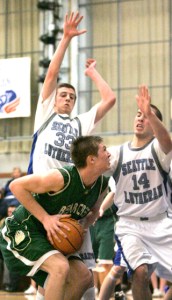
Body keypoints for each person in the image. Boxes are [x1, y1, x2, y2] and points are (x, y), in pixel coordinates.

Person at [27, 11, 116, 300]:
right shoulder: (45, 114)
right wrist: (65, 38)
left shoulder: (80, 124)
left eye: (72, 97)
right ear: (54, 99)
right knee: (54, 273)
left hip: (72, 204)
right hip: (45, 199)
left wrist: (93, 73)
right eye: (63, 95)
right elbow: (52, 74)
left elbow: (110, 99)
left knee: (85, 279)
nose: (66, 99)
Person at [0, 135, 111, 300]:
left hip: (50, 237)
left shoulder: (102, 184)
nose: (109, 154)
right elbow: (16, 186)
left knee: (83, 276)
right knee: (60, 267)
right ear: (91, 159)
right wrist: (46, 218)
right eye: (104, 150)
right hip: (23, 229)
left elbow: (94, 211)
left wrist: (84, 225)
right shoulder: (61, 178)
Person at [99, 85, 172, 300]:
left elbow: (167, 141)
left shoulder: (159, 150)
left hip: (161, 223)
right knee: (140, 272)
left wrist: (150, 111)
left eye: (147, 117)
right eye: (139, 115)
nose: (141, 119)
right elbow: (96, 178)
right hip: (130, 225)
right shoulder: (116, 153)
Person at [90, 177, 117, 298]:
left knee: (105, 262)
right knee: (91, 261)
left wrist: (101, 209)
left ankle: (105, 295)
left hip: (107, 221)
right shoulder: (87, 176)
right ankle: (94, 290)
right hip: (90, 221)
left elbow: (112, 194)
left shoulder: (110, 175)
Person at [0, 205, 22, 292]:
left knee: (9, 261)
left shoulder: (19, 221)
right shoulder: (2, 221)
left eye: (12, 212)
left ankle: (10, 285)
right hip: (2, 247)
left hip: (14, 248)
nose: (10, 213)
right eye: (9, 212)